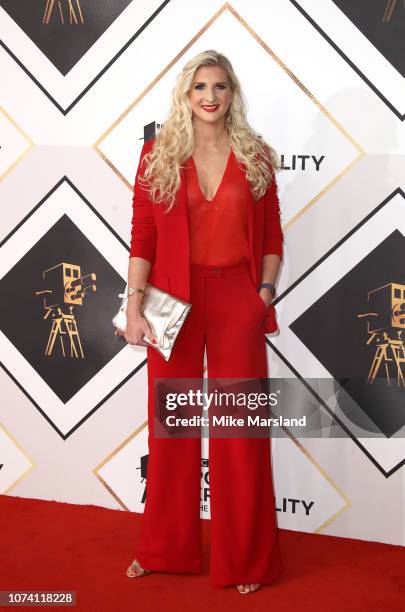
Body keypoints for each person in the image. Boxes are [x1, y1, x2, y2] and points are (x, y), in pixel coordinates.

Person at [121, 50, 284, 595]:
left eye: (219, 86)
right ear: (185, 96)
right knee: (173, 431)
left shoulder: (256, 155)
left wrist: (262, 293)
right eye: (199, 87)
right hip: (172, 304)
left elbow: (273, 236)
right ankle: (165, 550)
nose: (210, 96)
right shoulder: (158, 154)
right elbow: (143, 234)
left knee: (240, 433)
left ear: (232, 93)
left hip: (237, 298)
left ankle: (247, 561)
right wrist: (132, 305)